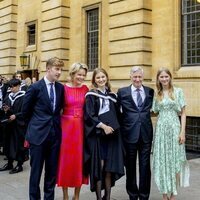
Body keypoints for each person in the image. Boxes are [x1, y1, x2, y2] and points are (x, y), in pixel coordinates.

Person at [22, 57, 64, 200]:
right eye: (57, 69)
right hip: (38, 137)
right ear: (48, 69)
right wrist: (32, 130)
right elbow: (25, 112)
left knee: (51, 174)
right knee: (36, 173)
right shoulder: (34, 87)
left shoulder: (60, 88)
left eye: (61, 69)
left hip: (55, 137)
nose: (59, 72)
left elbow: (59, 110)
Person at [84, 68, 124, 200]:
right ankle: (99, 198)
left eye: (103, 77)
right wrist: (103, 126)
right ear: (94, 80)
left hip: (112, 137)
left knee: (109, 168)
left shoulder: (113, 96)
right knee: (99, 168)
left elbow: (118, 115)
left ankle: (107, 197)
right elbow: (89, 115)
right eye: (98, 78)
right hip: (98, 137)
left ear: (106, 78)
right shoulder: (91, 95)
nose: (101, 80)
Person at [152, 68, 189, 200]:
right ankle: (164, 194)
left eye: (166, 76)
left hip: (175, 129)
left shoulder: (178, 92)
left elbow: (183, 113)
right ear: (158, 79)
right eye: (161, 77)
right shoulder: (157, 94)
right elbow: (154, 111)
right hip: (161, 130)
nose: (164, 79)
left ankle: (173, 194)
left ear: (170, 77)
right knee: (162, 162)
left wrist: (182, 132)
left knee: (175, 161)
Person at [117, 66, 154, 200]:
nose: (137, 79)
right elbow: (117, 113)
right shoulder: (122, 92)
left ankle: (144, 195)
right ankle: (133, 195)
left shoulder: (150, 91)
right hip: (129, 135)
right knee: (130, 167)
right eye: (135, 77)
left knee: (145, 167)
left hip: (145, 134)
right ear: (130, 77)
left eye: (140, 77)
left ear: (143, 77)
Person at [57, 62, 89, 200]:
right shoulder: (63, 89)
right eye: (79, 74)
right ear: (72, 74)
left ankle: (77, 195)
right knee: (65, 160)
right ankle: (65, 195)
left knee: (79, 161)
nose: (81, 77)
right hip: (66, 128)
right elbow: (57, 109)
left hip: (81, 129)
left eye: (83, 75)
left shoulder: (86, 89)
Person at [0, 78, 26, 174]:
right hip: (9, 124)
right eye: (10, 86)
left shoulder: (24, 96)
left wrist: (16, 115)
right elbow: (5, 106)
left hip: (19, 125)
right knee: (8, 143)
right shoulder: (8, 96)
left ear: (19, 86)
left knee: (19, 144)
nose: (12, 88)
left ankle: (19, 165)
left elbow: (26, 111)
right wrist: (6, 110)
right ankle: (10, 163)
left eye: (13, 86)